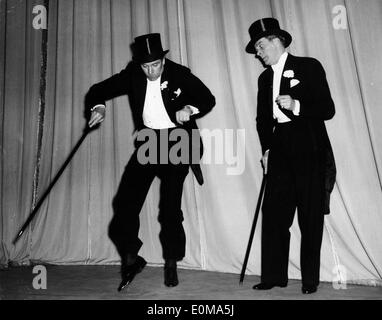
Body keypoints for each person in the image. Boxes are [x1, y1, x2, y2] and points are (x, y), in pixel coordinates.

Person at [85, 33, 215, 291]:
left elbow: (207, 99)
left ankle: (171, 261)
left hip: (179, 140)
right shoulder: (133, 74)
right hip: (149, 141)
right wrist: (98, 108)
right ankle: (132, 258)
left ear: (163, 60)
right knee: (124, 203)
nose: (151, 71)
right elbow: (98, 90)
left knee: (169, 207)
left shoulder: (180, 74)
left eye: (155, 65)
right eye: (146, 66)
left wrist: (189, 109)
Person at [245, 18, 336, 294]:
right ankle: (274, 276)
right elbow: (262, 120)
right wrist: (267, 149)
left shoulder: (308, 66)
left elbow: (327, 108)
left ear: (276, 40)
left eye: (260, 45)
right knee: (273, 213)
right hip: (280, 146)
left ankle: (309, 281)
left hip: (309, 143)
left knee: (310, 215)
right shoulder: (264, 78)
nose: (258, 52)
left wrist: (296, 104)